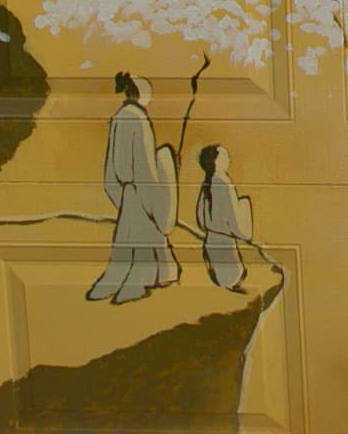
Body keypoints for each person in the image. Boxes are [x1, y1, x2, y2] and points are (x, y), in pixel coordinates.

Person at [88, 71, 180, 304]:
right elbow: (144, 162)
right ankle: (138, 284)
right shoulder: (138, 119)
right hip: (139, 188)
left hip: (128, 190)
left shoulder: (120, 117)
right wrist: (154, 193)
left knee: (133, 238)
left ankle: (161, 274)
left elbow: (113, 166)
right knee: (141, 235)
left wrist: (118, 191)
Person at [193, 143, 253, 293]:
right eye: (224, 155)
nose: (228, 158)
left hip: (211, 241)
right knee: (231, 277)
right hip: (225, 242)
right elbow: (235, 220)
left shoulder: (207, 182)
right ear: (216, 161)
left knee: (222, 277)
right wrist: (244, 206)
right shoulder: (224, 183)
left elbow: (201, 218)